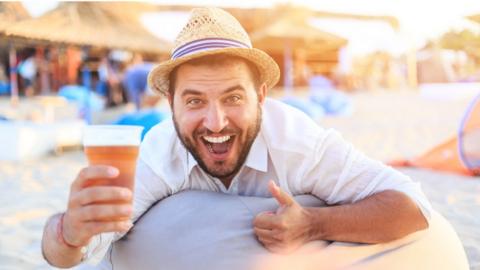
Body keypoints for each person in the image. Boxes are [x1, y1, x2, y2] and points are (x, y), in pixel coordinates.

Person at [41, 7, 431, 268]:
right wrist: (70, 230)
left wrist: (314, 223)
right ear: (169, 103)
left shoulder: (298, 143)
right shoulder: (158, 154)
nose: (215, 122)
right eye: (194, 101)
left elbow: (413, 206)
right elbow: (65, 254)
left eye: (233, 98)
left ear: (261, 96)